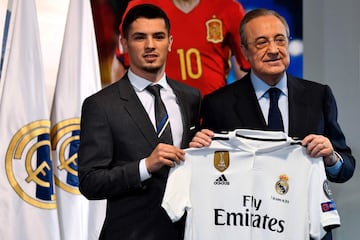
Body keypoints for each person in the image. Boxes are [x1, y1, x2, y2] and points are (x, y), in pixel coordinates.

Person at [190, 8, 356, 240]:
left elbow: (346, 167)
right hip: (245, 228)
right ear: (245, 52)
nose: (273, 50)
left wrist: (331, 158)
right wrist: (201, 151)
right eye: (261, 43)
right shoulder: (218, 104)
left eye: (280, 40)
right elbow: (210, 176)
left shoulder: (318, 96)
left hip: (306, 230)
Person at [78, 4, 201, 240]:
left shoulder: (191, 97)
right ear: (124, 44)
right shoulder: (101, 105)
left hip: (184, 233)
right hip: (129, 233)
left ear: (170, 42)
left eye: (158, 36)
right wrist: (144, 166)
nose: (150, 45)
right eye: (139, 37)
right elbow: (90, 182)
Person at [112, 0, 250, 96]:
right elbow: (121, 67)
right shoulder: (139, 7)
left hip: (214, 117)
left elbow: (246, 68)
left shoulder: (229, 8)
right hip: (158, 118)